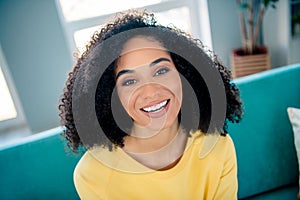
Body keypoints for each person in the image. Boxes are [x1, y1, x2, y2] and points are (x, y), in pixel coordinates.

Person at [59, 10, 243, 199]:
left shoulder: (217, 147)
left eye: (161, 70)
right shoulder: (92, 174)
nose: (151, 92)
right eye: (129, 81)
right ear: (110, 97)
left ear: (184, 73)